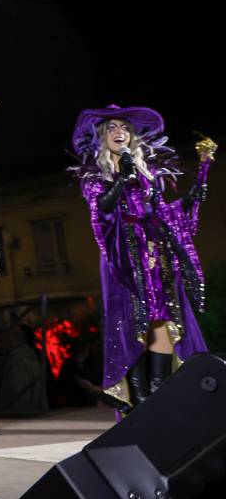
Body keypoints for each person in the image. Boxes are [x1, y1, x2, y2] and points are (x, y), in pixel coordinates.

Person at [71, 105, 212, 412]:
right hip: (123, 259)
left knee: (162, 318)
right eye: (111, 128)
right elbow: (103, 211)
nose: (119, 131)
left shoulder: (146, 174)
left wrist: (189, 199)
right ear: (102, 138)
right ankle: (138, 402)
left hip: (153, 256)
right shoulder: (95, 175)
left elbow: (160, 215)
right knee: (132, 323)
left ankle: (159, 398)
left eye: (123, 127)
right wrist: (121, 180)